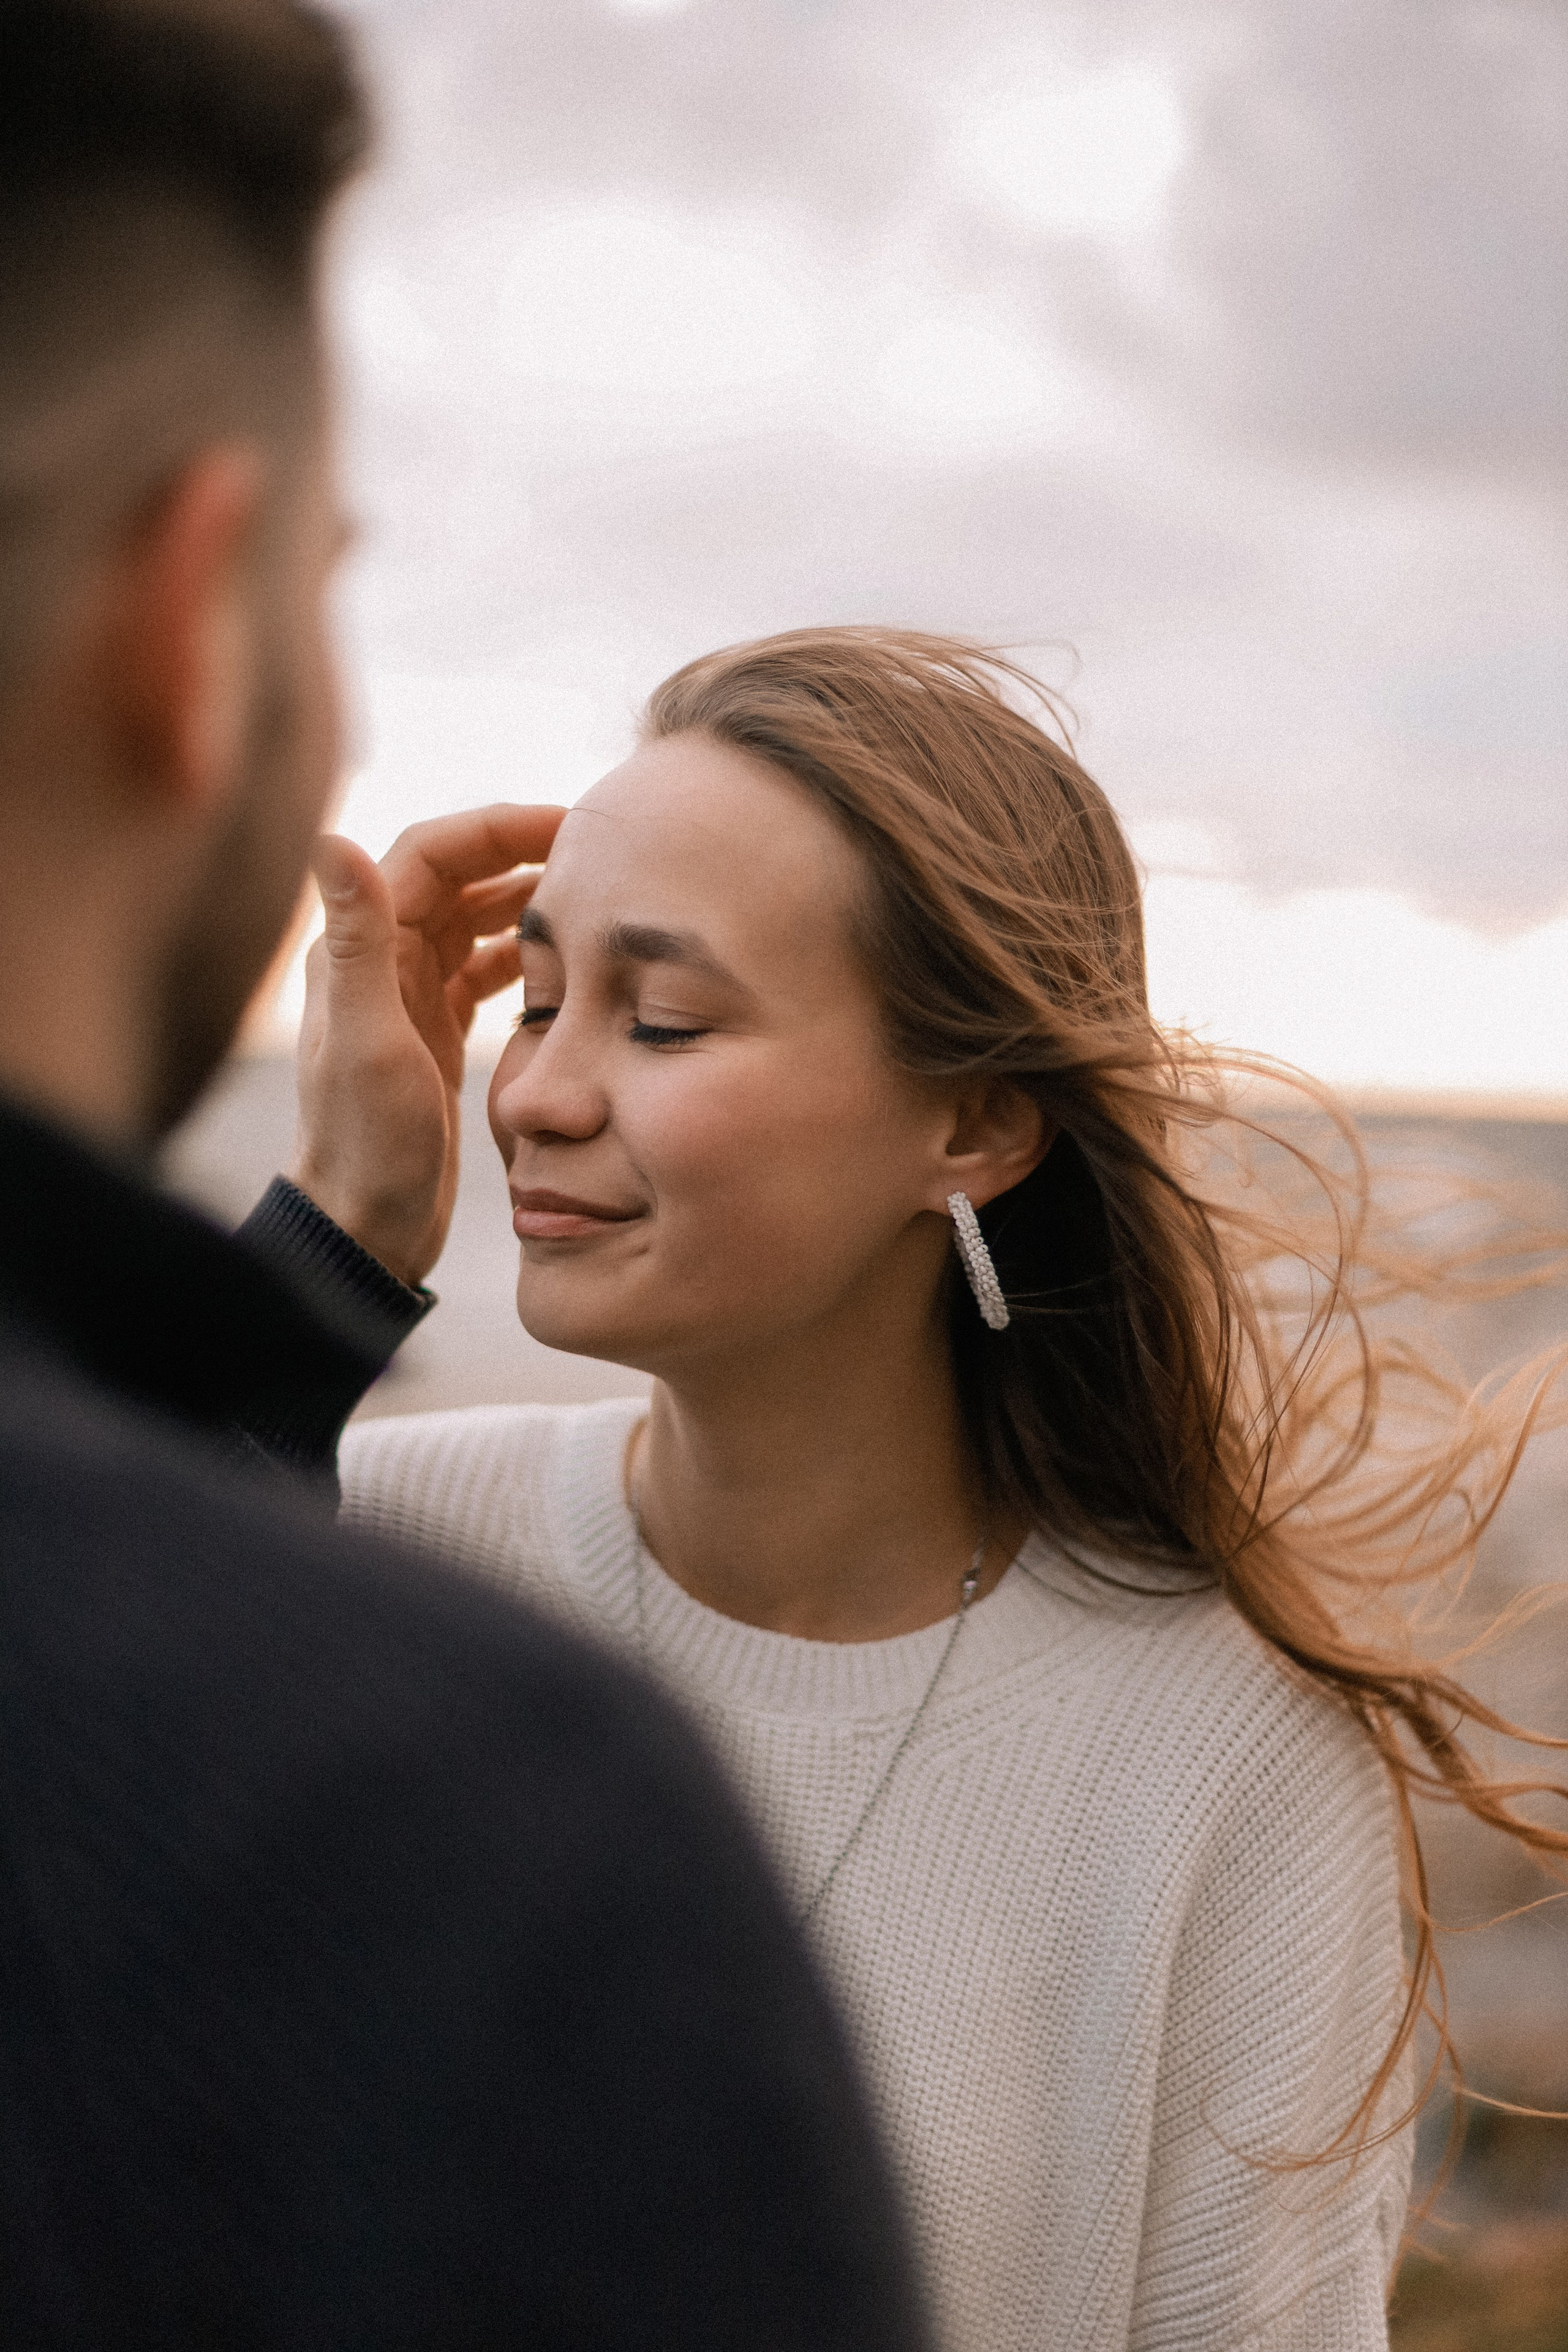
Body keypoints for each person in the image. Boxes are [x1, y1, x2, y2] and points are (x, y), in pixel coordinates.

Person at [279, 626, 1568, 2352]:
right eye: (532, 997)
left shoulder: (1226, 1755)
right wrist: (316, 1269)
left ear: (973, 1124)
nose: (535, 1090)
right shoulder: (352, 1542)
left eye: (659, 1018)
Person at [0, 8, 933, 2345]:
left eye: (669, 1008)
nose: (541, 1085)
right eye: (328, 576)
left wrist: (321, 1266)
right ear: (197, 614)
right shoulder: (470, 1834)